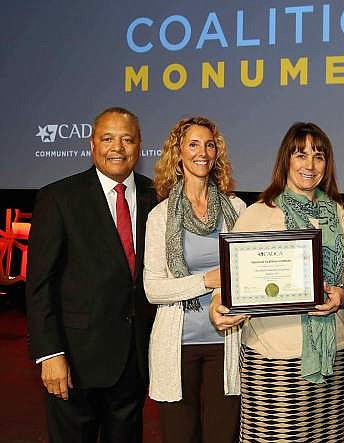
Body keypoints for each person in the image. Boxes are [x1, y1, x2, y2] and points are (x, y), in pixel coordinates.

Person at [210, 122, 344, 442]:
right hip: (273, 357)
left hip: (335, 353)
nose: (310, 164)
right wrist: (219, 306)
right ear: (286, 160)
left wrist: (343, 295)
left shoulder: (341, 212)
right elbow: (230, 280)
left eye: (318, 156)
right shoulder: (258, 214)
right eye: (300, 154)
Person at [25, 107, 157, 443]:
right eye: (108, 138)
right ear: (92, 144)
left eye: (127, 139)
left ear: (139, 145)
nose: (118, 147)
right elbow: (40, 284)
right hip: (75, 361)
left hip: (134, 361)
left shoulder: (156, 195)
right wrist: (49, 354)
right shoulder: (59, 197)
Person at [143, 117, 245, 443]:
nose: (203, 152)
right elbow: (153, 288)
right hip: (177, 344)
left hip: (227, 342)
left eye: (209, 144)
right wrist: (207, 281)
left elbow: (247, 273)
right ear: (179, 153)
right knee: (179, 435)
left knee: (223, 435)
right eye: (194, 144)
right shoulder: (160, 216)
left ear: (217, 153)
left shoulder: (236, 208)